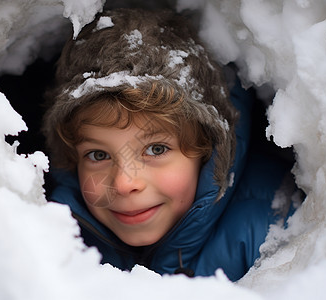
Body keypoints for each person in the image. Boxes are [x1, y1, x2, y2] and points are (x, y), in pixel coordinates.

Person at [42, 8, 299, 281]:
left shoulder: (270, 233)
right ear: (71, 160)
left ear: (208, 149)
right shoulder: (54, 239)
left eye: (156, 149)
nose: (124, 184)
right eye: (98, 154)